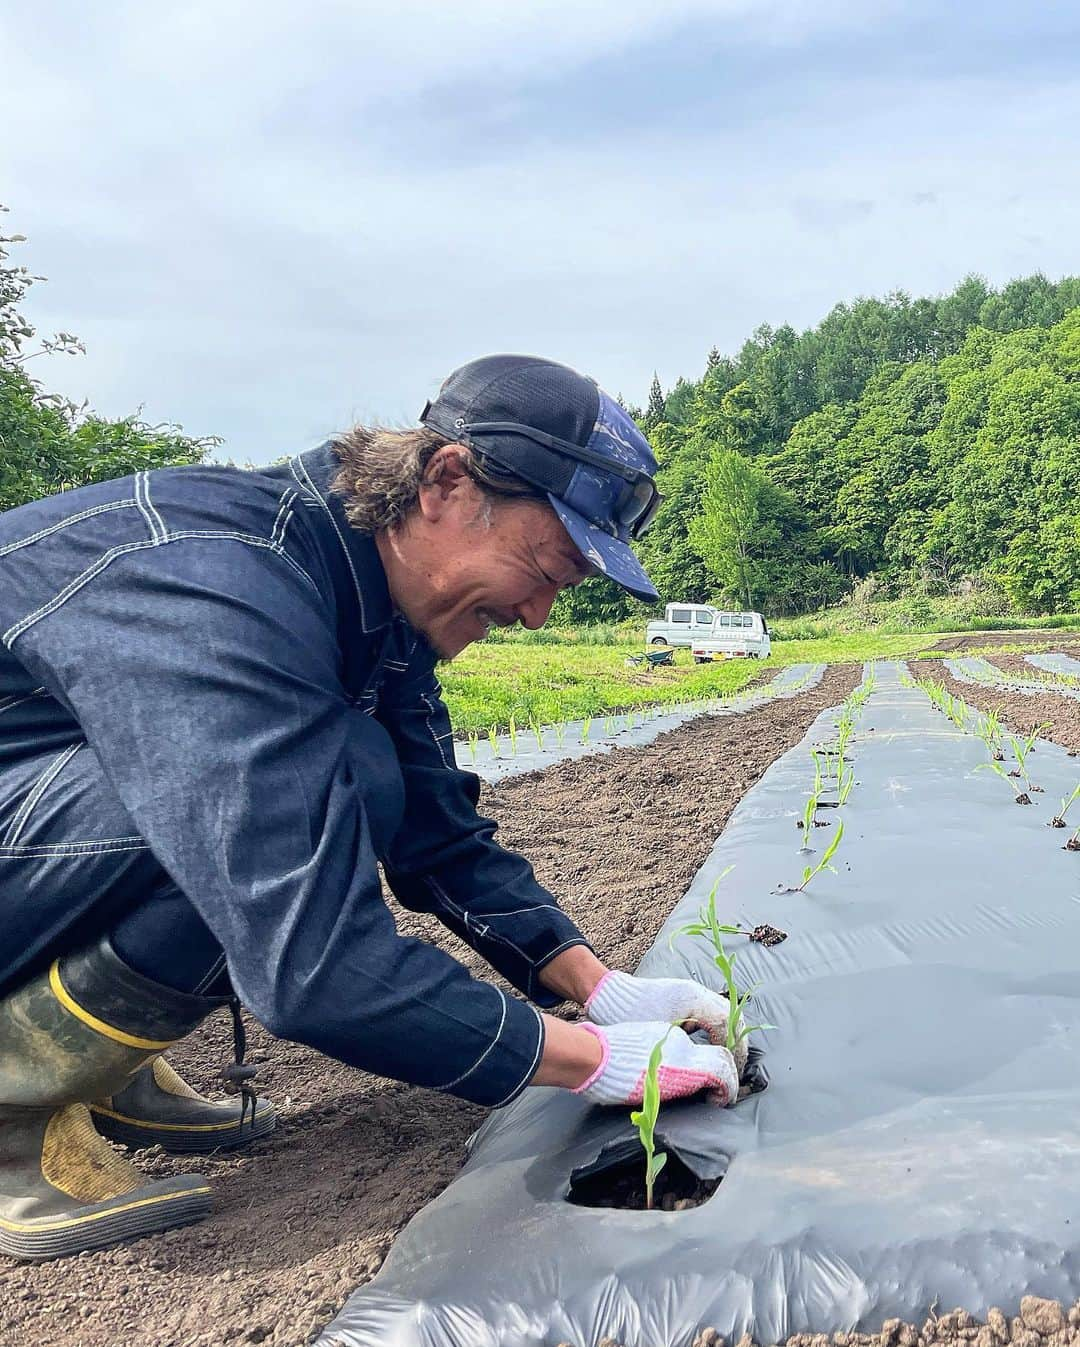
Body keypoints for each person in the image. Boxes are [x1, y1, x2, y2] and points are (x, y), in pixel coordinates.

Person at [0, 354, 743, 1262]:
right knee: (279, 796)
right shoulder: (226, 585)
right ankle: (10, 1104)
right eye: (545, 566)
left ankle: (98, 1065)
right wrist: (594, 1061)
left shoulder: (369, 591)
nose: (542, 614)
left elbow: (435, 827)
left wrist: (598, 987)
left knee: (359, 771)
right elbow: (314, 965)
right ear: (445, 481)